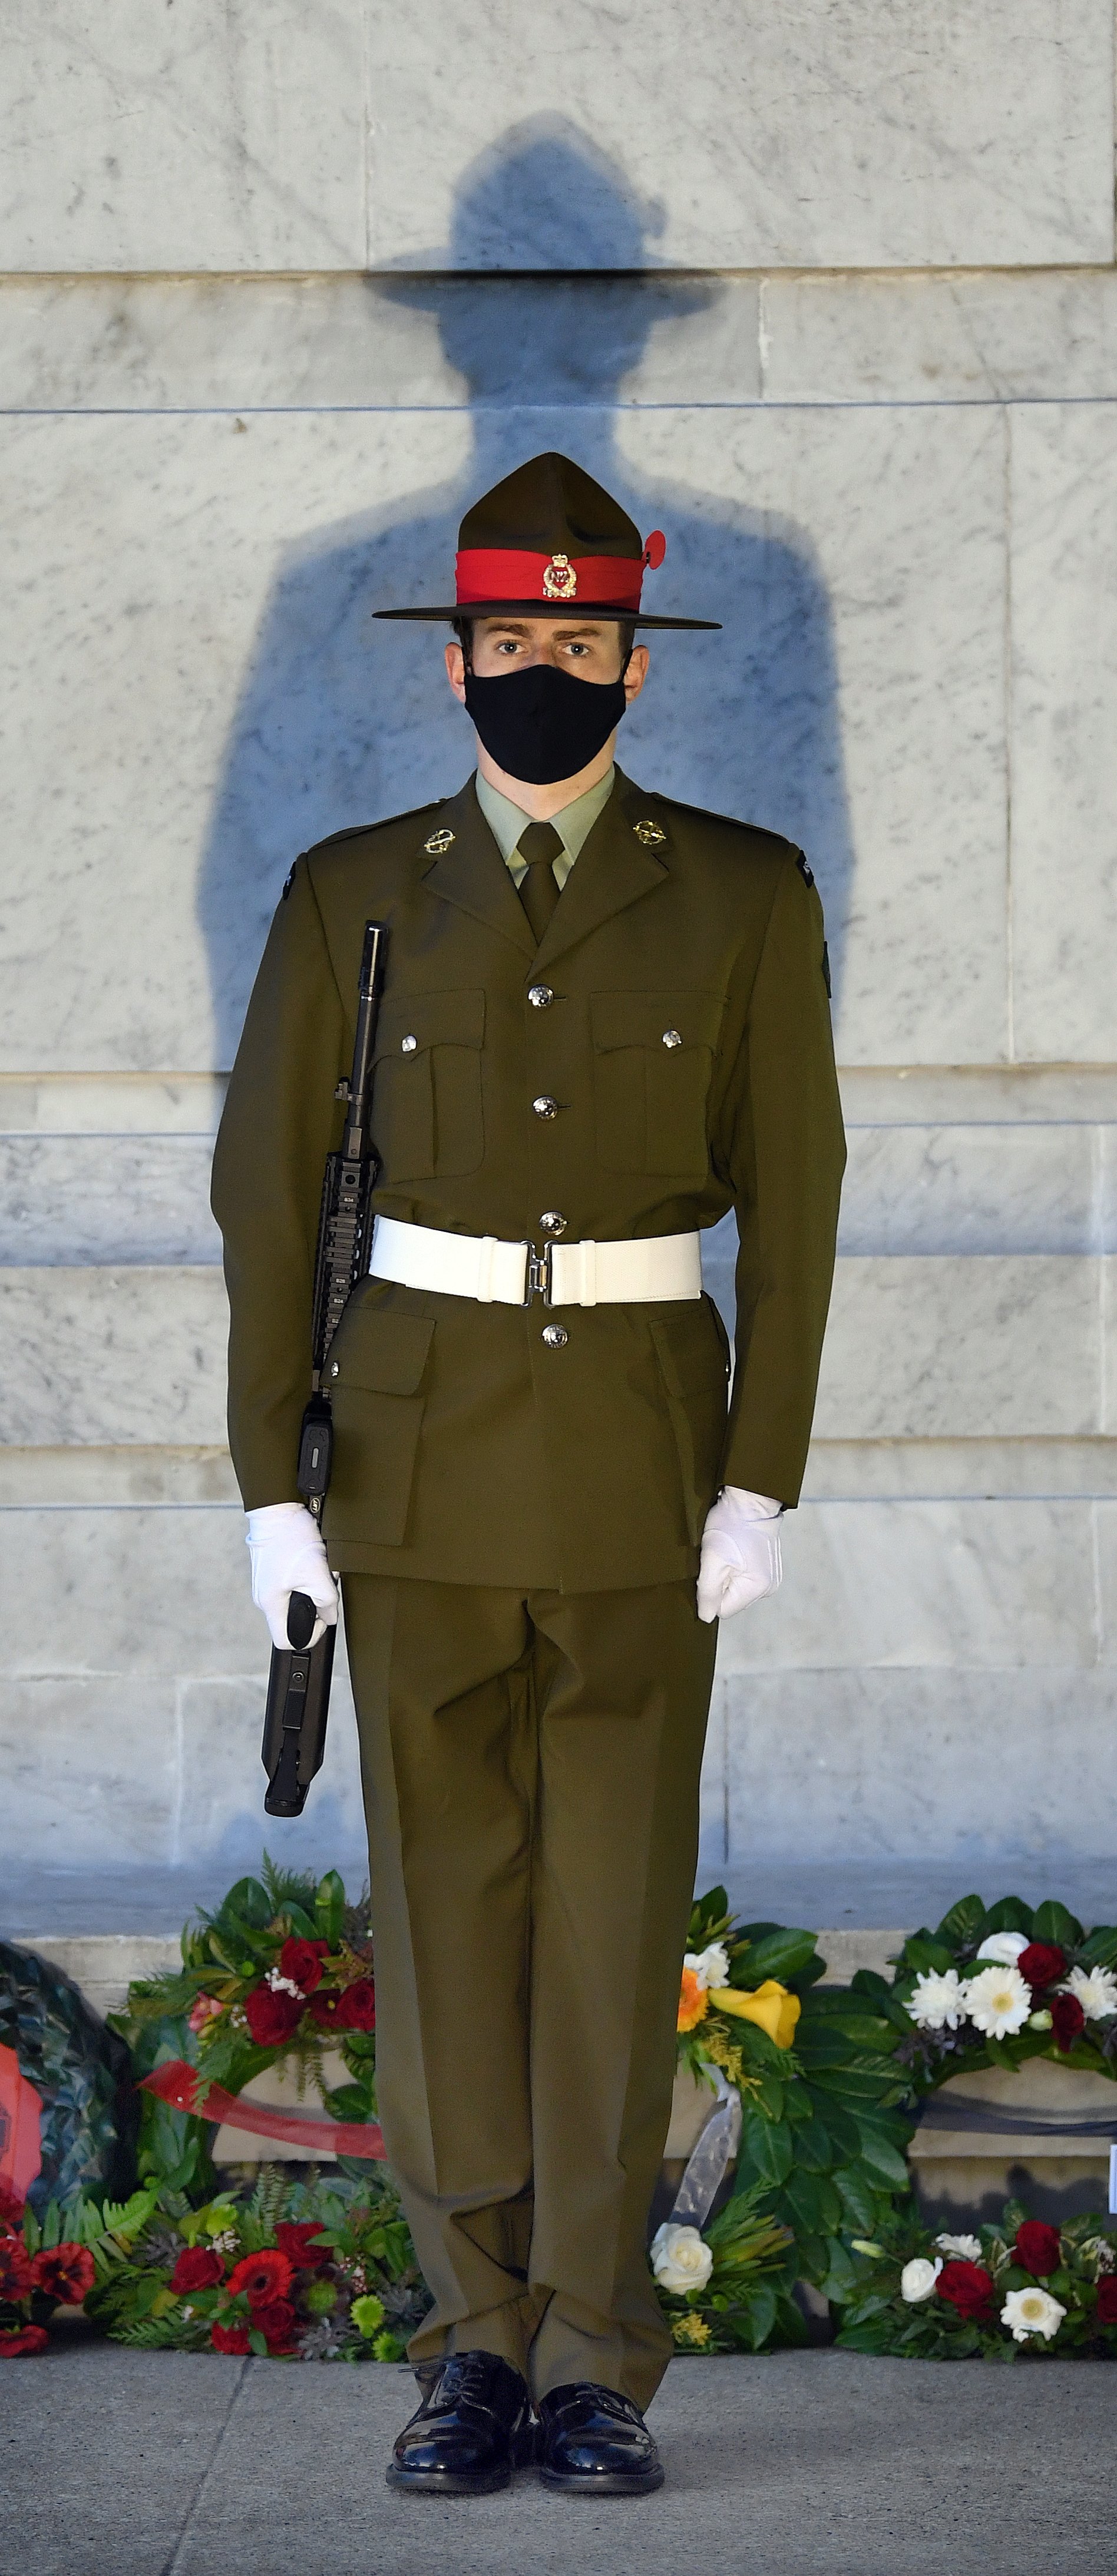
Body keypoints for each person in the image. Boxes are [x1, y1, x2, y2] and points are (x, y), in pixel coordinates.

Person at [211, 451, 845, 2498]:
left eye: (584, 641)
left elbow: (803, 1199)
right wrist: (266, 1485)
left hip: (646, 1459)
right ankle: (469, 2346)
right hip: (405, 1457)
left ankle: (595, 2355)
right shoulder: (354, 888)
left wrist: (763, 1477)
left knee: (606, 1915)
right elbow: (265, 1196)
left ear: (634, 667)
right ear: (458, 663)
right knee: (450, 1910)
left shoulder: (741, 890)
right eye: (515, 642)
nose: (548, 672)